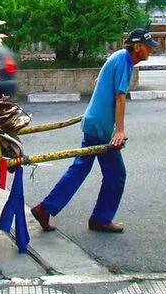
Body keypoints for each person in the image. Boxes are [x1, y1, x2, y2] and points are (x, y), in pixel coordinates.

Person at [30, 28, 158, 233]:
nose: (151, 51)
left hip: (94, 121)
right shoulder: (124, 62)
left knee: (80, 168)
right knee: (116, 175)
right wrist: (119, 131)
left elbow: (99, 81)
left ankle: (45, 208)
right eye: (148, 47)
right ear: (138, 47)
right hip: (100, 127)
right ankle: (100, 219)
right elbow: (119, 98)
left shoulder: (118, 57)